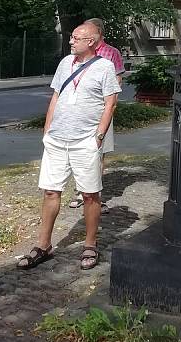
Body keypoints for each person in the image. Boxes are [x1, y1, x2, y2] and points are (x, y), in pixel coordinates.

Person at [17, 23, 121, 271]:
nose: (71, 41)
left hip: (85, 140)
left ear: (92, 42)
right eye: (72, 37)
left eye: (77, 38)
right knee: (51, 191)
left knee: (89, 194)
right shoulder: (65, 63)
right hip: (56, 139)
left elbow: (111, 104)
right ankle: (43, 245)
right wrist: (47, 128)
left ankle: (90, 244)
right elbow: (56, 96)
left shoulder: (105, 67)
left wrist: (98, 136)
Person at [69, 17, 125, 214]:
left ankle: (94, 195)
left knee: (98, 153)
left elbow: (117, 83)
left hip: (102, 111)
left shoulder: (111, 53)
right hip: (79, 113)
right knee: (77, 151)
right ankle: (78, 192)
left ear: (97, 32)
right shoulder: (78, 51)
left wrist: (110, 108)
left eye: (87, 29)